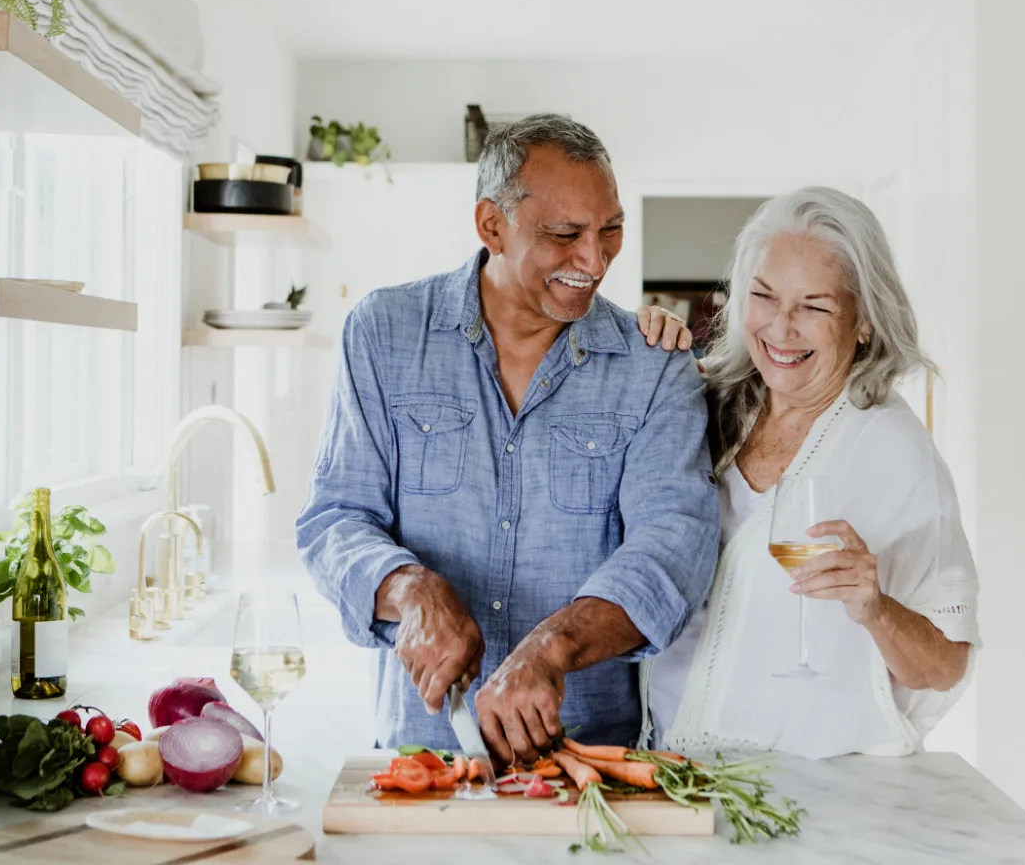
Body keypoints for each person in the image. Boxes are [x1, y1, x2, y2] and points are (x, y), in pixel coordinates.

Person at [296, 114, 719, 765]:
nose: (595, 260)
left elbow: (672, 549)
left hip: (586, 759)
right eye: (564, 235)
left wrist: (552, 647)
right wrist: (410, 590)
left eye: (611, 231)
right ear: (491, 226)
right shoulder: (383, 333)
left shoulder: (654, 364)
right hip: (420, 752)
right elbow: (335, 519)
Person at [634, 187, 979, 758]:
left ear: (863, 320)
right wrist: (640, 344)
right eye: (764, 296)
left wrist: (876, 608)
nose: (780, 328)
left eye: (814, 307)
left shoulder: (893, 452)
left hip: (806, 793)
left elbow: (943, 667)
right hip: (667, 768)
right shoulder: (706, 404)